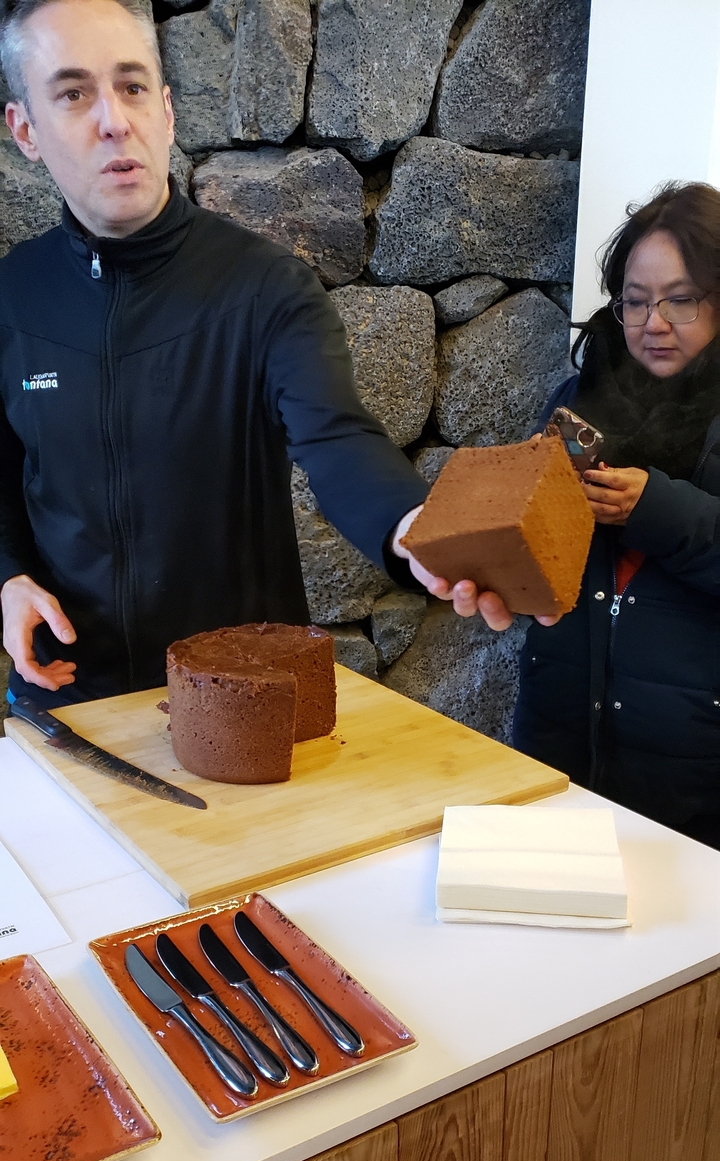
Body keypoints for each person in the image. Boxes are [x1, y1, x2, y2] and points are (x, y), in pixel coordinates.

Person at [0, 0, 486, 708]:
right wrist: (9, 576)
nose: (114, 120)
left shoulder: (265, 287)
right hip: (71, 707)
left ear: (166, 110)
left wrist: (413, 530)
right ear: (25, 130)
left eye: (133, 86)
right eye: (73, 93)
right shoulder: (13, 293)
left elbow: (338, 438)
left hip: (238, 709)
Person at [488, 183, 720, 847]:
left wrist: (661, 511)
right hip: (561, 740)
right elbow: (534, 547)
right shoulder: (579, 397)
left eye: (681, 299)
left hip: (695, 775)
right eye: (636, 301)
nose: (655, 322)